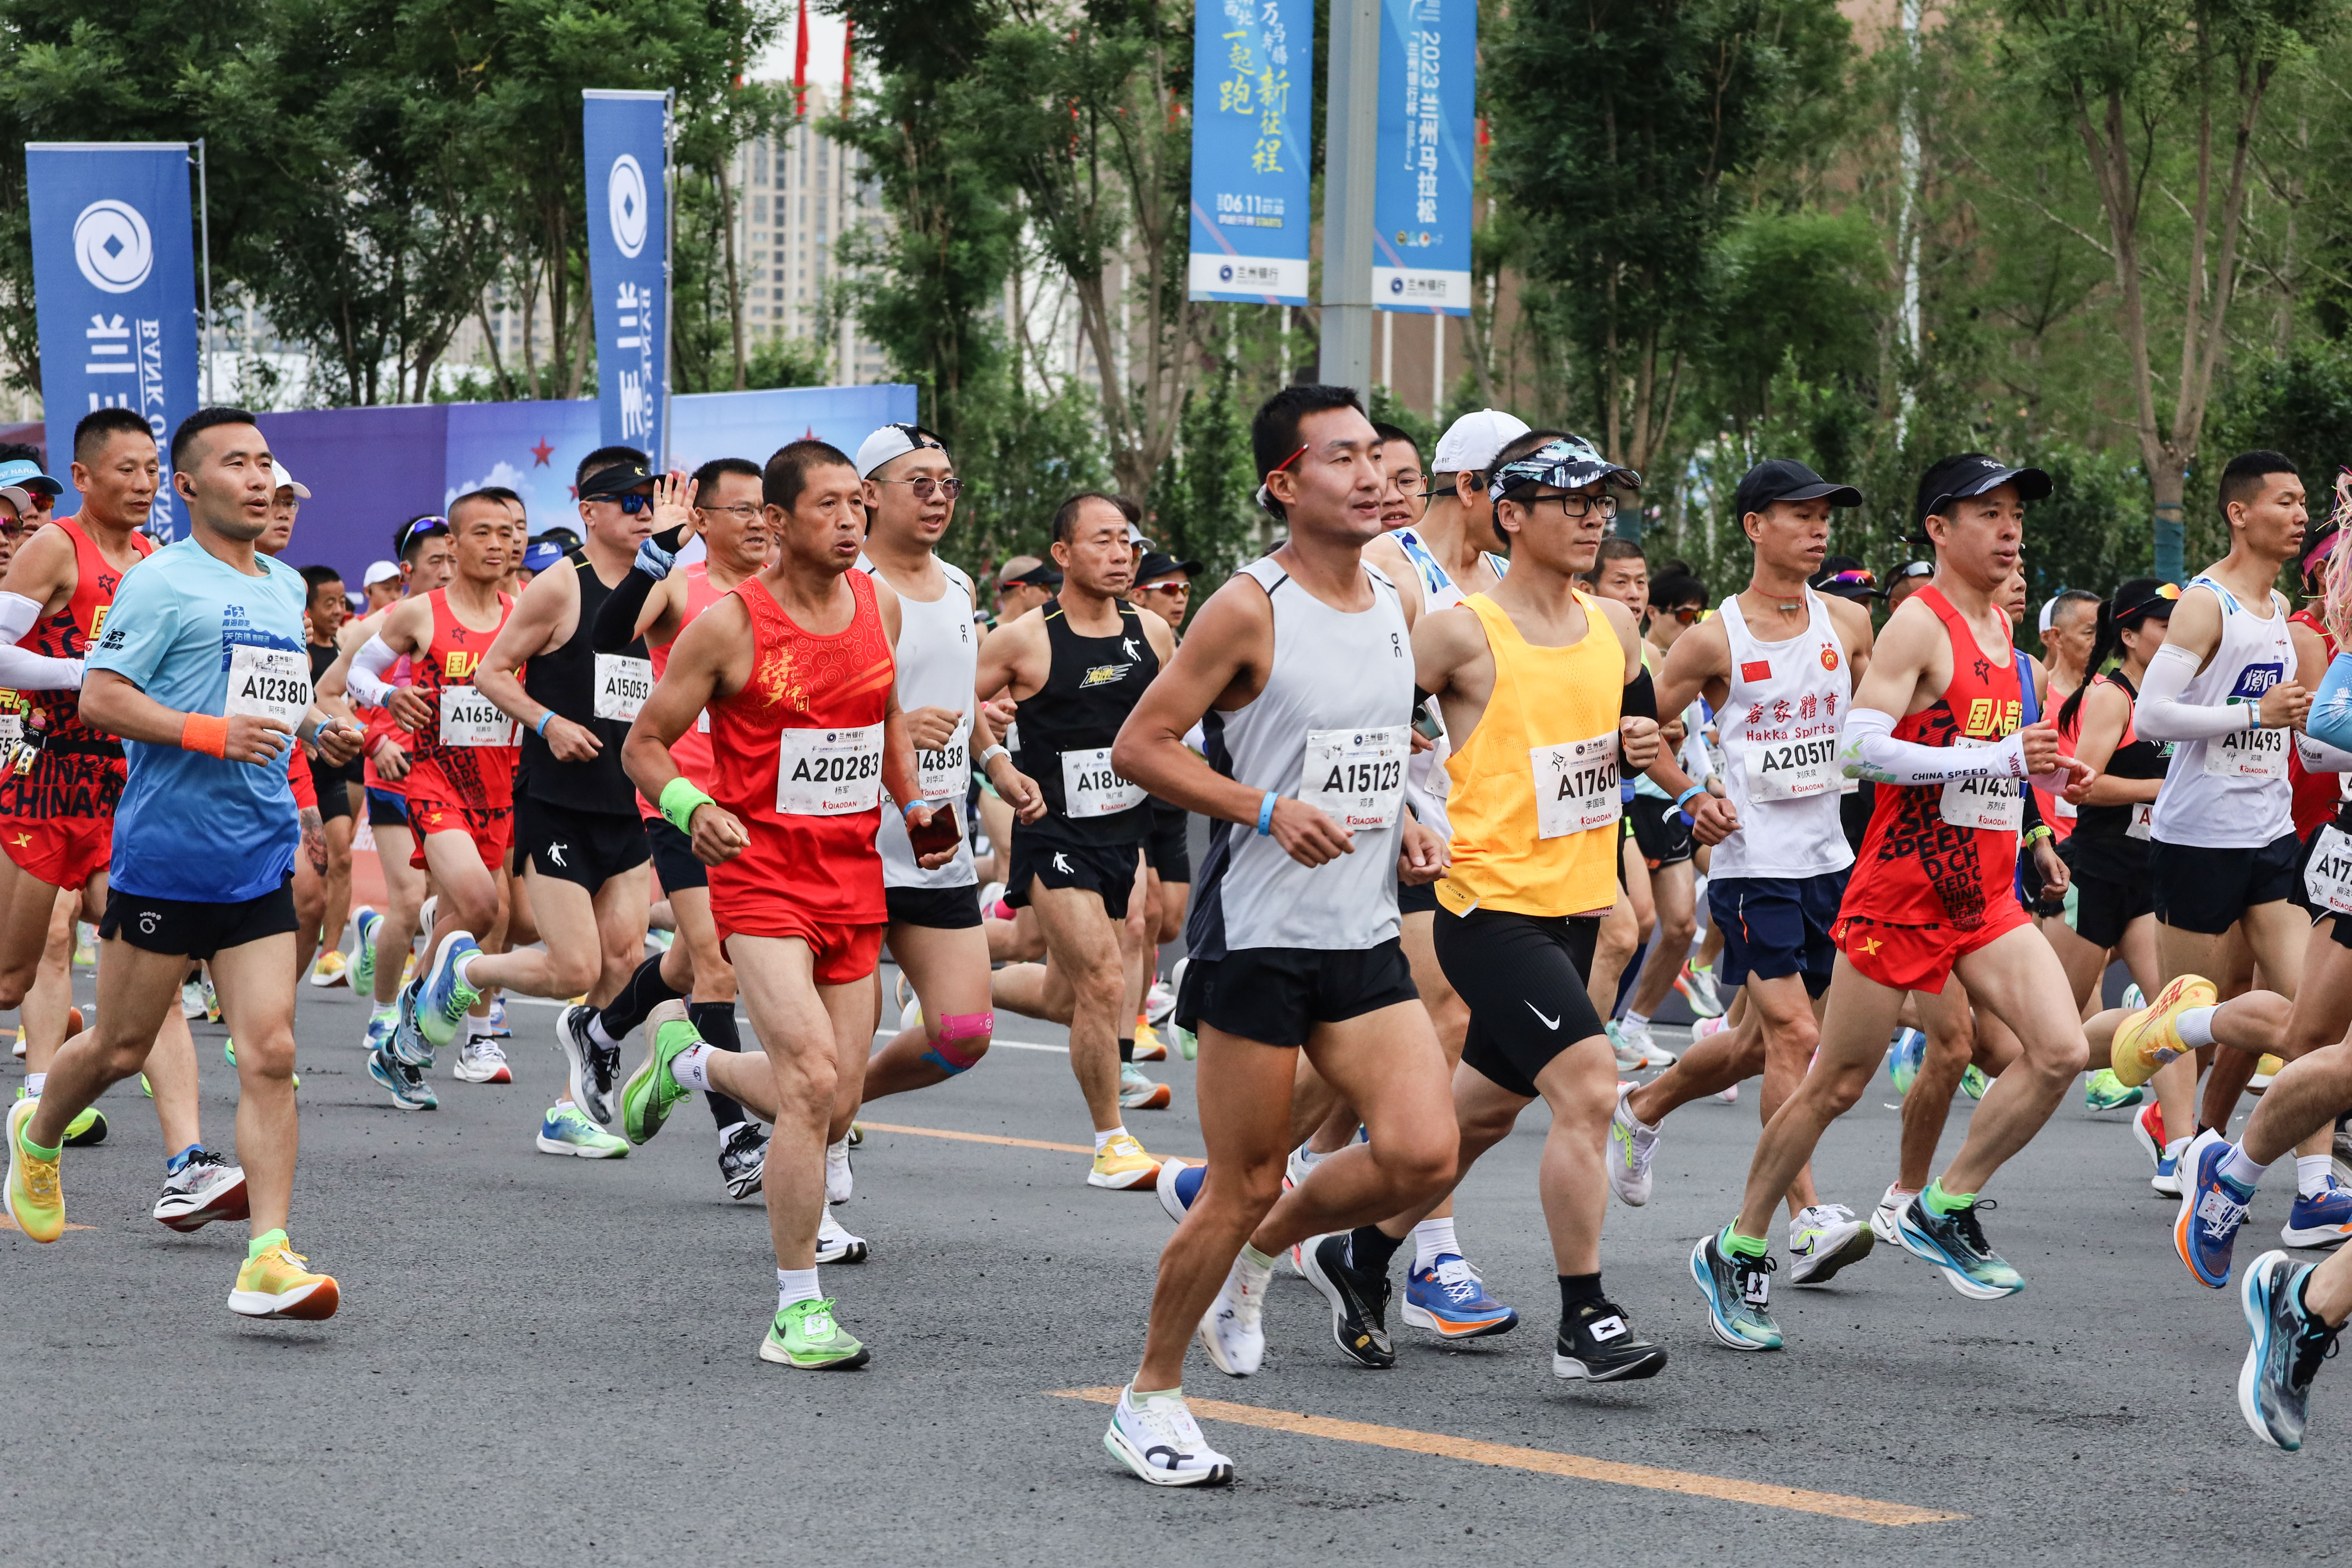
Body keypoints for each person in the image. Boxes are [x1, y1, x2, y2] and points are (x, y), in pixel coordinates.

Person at [1098, 384, 1456, 1488]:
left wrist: (1414, 816)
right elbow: (1140, 746)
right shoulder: (1246, 607)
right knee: (1243, 1177)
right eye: (1340, 457)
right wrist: (1262, 807)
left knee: (1422, 1150)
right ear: (1285, 482)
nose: (1370, 476)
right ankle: (1147, 1395)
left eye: (1379, 457)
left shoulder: (1398, 595)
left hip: (1358, 930)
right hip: (1255, 935)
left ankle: (1261, 1256)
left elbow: (1379, 743)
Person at [1690, 453, 2096, 1352]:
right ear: (1938, 531)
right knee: (1834, 1082)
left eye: (2015, 514)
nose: (2009, 529)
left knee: (2061, 1051)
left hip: (1983, 893)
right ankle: (1739, 1244)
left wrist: (2048, 778)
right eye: (1986, 513)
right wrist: (1991, 762)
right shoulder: (1921, 624)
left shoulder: (2007, 640)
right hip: (1900, 892)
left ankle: (1941, 1206)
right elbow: (1862, 749)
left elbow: (1997, 756)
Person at [6, 406, 362, 1321]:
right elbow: (101, 694)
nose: (258, 477)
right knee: (121, 1048)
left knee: (273, 1050)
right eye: (236, 463)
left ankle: (268, 1258)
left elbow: (275, 697)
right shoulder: (162, 582)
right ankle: (37, 1138)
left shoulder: (285, 585)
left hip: (257, 857)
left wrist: (326, 726)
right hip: (164, 857)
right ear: (192, 485)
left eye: (265, 462)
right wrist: (209, 733)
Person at [617, 437, 953, 1369]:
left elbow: (881, 715)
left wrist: (919, 804)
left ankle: (693, 1063)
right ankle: (796, 1308)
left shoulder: (877, 602)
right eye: (830, 507)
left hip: (853, 879)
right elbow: (644, 745)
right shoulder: (729, 625)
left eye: (859, 504)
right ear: (775, 521)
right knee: (808, 1082)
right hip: (760, 880)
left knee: (836, 1100)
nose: (853, 521)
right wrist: (693, 808)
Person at [1348, 430, 1671, 1384]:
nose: (1593, 518)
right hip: (1486, 905)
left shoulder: (1613, 627)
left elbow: (1637, 727)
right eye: (1571, 501)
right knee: (1589, 1088)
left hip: (1576, 905)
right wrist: (1406, 811)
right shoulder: (1459, 630)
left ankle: (1356, 1255)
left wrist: (1673, 777)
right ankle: (1587, 1318)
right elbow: (1366, 721)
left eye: (1601, 501)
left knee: (1469, 1125)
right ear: (1511, 513)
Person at [1606, 459, 1877, 1285]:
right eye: (1797, 514)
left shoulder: (1848, 625)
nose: (1816, 527)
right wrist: (1691, 798)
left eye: (1824, 513)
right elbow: (1633, 732)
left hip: (1829, 860)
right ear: (1754, 527)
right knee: (1798, 1038)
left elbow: (1871, 733)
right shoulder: (1712, 637)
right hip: (1750, 866)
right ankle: (1802, 1219)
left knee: (1763, 1046)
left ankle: (1641, 1108)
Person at [0, 408, 235, 1230]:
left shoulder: (157, 565)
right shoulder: (54, 546)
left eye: (149, 471)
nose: (140, 485)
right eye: (125, 470)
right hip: (42, 782)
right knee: (9, 979)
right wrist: (86, 676)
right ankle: (40, 1093)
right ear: (87, 475)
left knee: (156, 977)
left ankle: (187, 1164)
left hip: (125, 790)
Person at [2133, 451, 2343, 1218]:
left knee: (2310, 1017)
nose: (2299, 515)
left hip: (2269, 836)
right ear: (2237, 512)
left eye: (2303, 503)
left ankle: (2314, 1188)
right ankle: (2180, 1142)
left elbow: (2301, 733)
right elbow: (2150, 716)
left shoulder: (2279, 607)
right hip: (2195, 839)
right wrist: (2256, 716)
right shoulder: (2204, 604)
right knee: (2184, 1011)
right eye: (2284, 502)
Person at [845, 424, 1044, 1210]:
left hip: (934, 844)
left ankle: (832, 1104)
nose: (937, 497)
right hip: (848, 840)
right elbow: (809, 706)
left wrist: (996, 763)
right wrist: (892, 729)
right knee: (839, 1031)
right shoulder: (849, 585)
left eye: (948, 483)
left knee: (963, 1033)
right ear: (867, 495)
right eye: (917, 482)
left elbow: (960, 699)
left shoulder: (960, 586)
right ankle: (819, 1165)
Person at [974, 492, 1179, 1187]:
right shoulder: (1025, 638)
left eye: (1127, 541)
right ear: (1063, 554)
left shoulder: (1152, 633)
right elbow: (955, 702)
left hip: (1127, 829)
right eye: (1102, 541)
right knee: (1103, 978)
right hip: (1052, 828)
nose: (1121, 554)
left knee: (1072, 996)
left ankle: (963, 977)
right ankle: (1111, 1143)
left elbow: (1177, 719)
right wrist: (996, 759)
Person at [591, 457, 779, 1201]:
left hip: (762, 807)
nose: (760, 522)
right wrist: (656, 555)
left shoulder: (786, 594)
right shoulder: (680, 585)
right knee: (715, 967)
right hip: (682, 800)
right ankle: (738, 1137)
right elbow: (608, 637)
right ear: (699, 520)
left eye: (768, 509)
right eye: (742, 510)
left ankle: (601, 1031)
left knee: (697, 961)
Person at [342, 497, 521, 1108]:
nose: (498, 544)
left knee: (464, 922)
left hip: (499, 791)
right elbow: (356, 676)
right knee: (479, 902)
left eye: (508, 533)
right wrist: (388, 705)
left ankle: (404, 1047)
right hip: (435, 784)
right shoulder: (423, 613)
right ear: (456, 546)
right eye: (482, 534)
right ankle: (425, 1025)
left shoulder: (523, 617)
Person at [298, 564, 360, 987]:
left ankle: (331, 953)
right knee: (304, 879)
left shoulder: (344, 651)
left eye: (343, 602)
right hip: (297, 771)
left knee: (341, 858)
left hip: (335, 770)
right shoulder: (297, 649)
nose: (338, 610)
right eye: (329, 603)